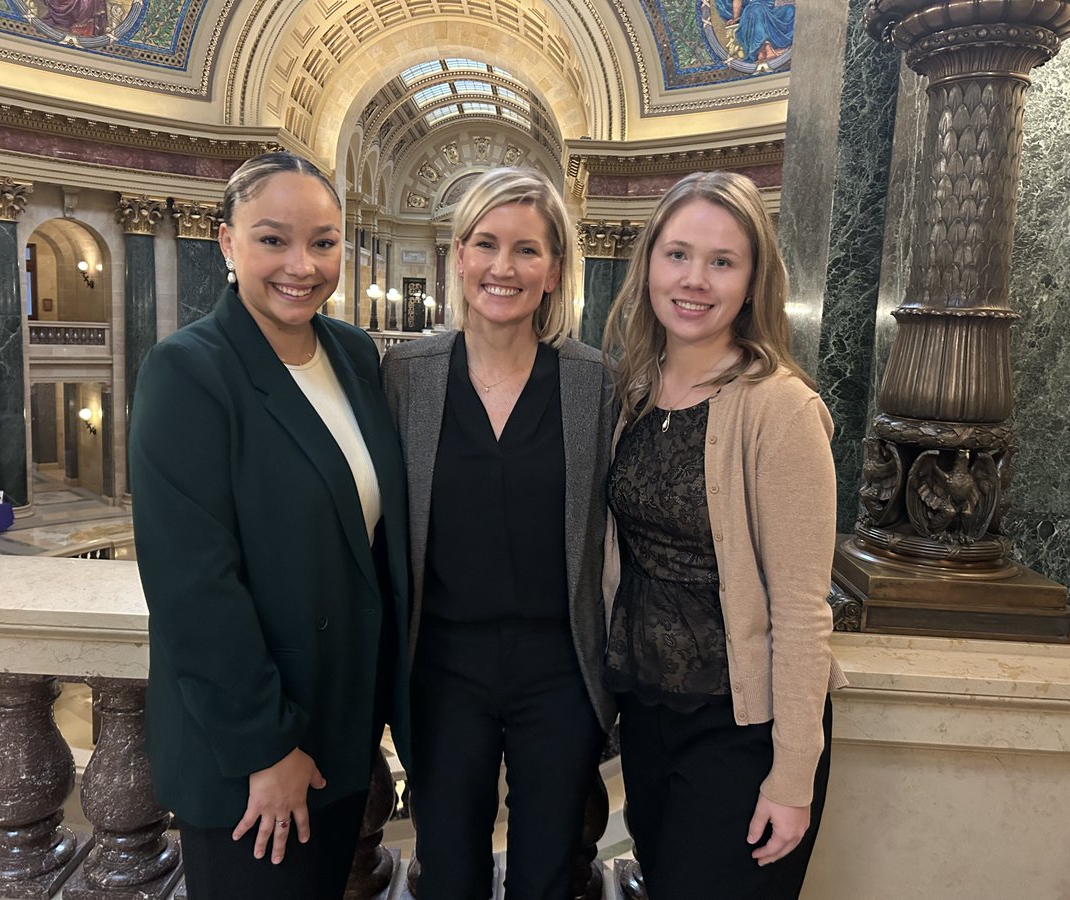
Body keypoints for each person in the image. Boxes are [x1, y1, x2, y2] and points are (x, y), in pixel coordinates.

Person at [130, 151, 410, 900]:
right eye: (272, 239)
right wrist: (266, 748)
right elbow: (193, 587)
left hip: (341, 727)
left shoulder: (353, 354)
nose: (302, 265)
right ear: (226, 244)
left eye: (323, 242)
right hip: (252, 754)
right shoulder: (188, 370)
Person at [602, 170, 846, 899]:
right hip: (646, 716)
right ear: (649, 262)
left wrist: (793, 773)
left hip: (742, 729)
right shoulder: (634, 393)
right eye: (678, 255)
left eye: (722, 261)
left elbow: (804, 607)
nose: (694, 280)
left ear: (752, 282)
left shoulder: (782, 410)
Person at [381, 166, 615, 899]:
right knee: (449, 871)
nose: (503, 267)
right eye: (486, 244)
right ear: (458, 256)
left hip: (560, 668)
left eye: (527, 250)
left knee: (548, 873)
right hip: (443, 667)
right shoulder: (406, 374)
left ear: (554, 272)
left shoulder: (594, 382)